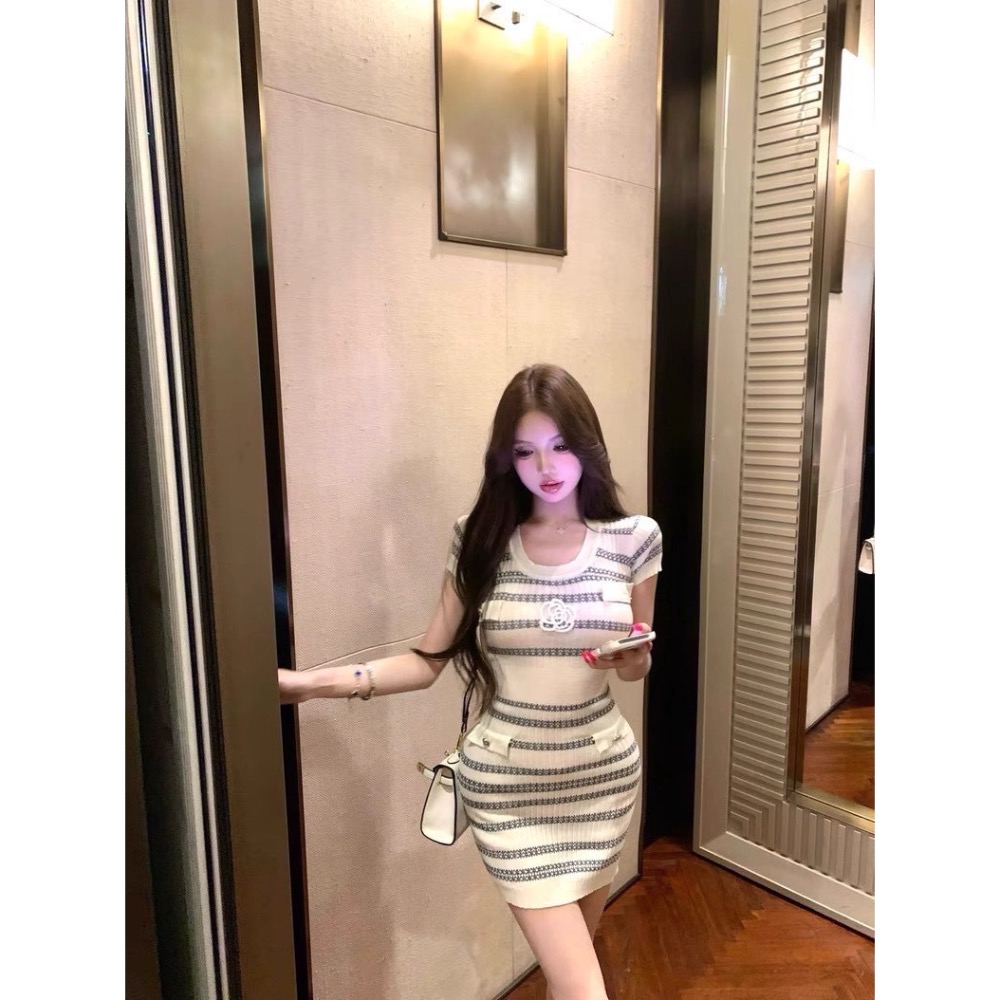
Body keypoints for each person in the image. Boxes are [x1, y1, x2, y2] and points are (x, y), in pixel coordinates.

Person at [278, 363, 662, 1000]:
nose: (546, 466)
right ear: (506, 459)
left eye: (560, 445)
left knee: (570, 974)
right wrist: (307, 685)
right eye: (525, 451)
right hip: (509, 786)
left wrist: (633, 658)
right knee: (584, 989)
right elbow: (427, 662)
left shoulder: (634, 539)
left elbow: (639, 661)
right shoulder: (480, 539)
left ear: (587, 444)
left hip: (601, 779)